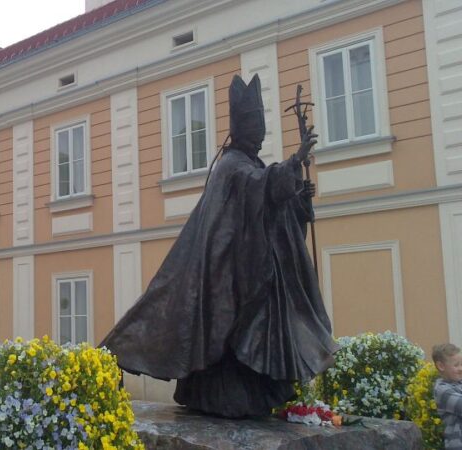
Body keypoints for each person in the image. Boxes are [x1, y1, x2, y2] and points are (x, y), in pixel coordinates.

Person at [100, 74, 337, 417]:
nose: (260, 137)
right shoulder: (231, 165)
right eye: (255, 130)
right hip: (226, 276)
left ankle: (255, 392)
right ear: (241, 131)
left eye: (262, 130)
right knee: (226, 339)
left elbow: (270, 207)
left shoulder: (251, 164)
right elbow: (257, 187)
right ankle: (221, 395)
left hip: (248, 273)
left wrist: (298, 197)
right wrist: (291, 164)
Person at [434, 343, 462, 449]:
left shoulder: (459, 382)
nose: (461, 368)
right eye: (456, 365)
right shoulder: (442, 390)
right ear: (441, 366)